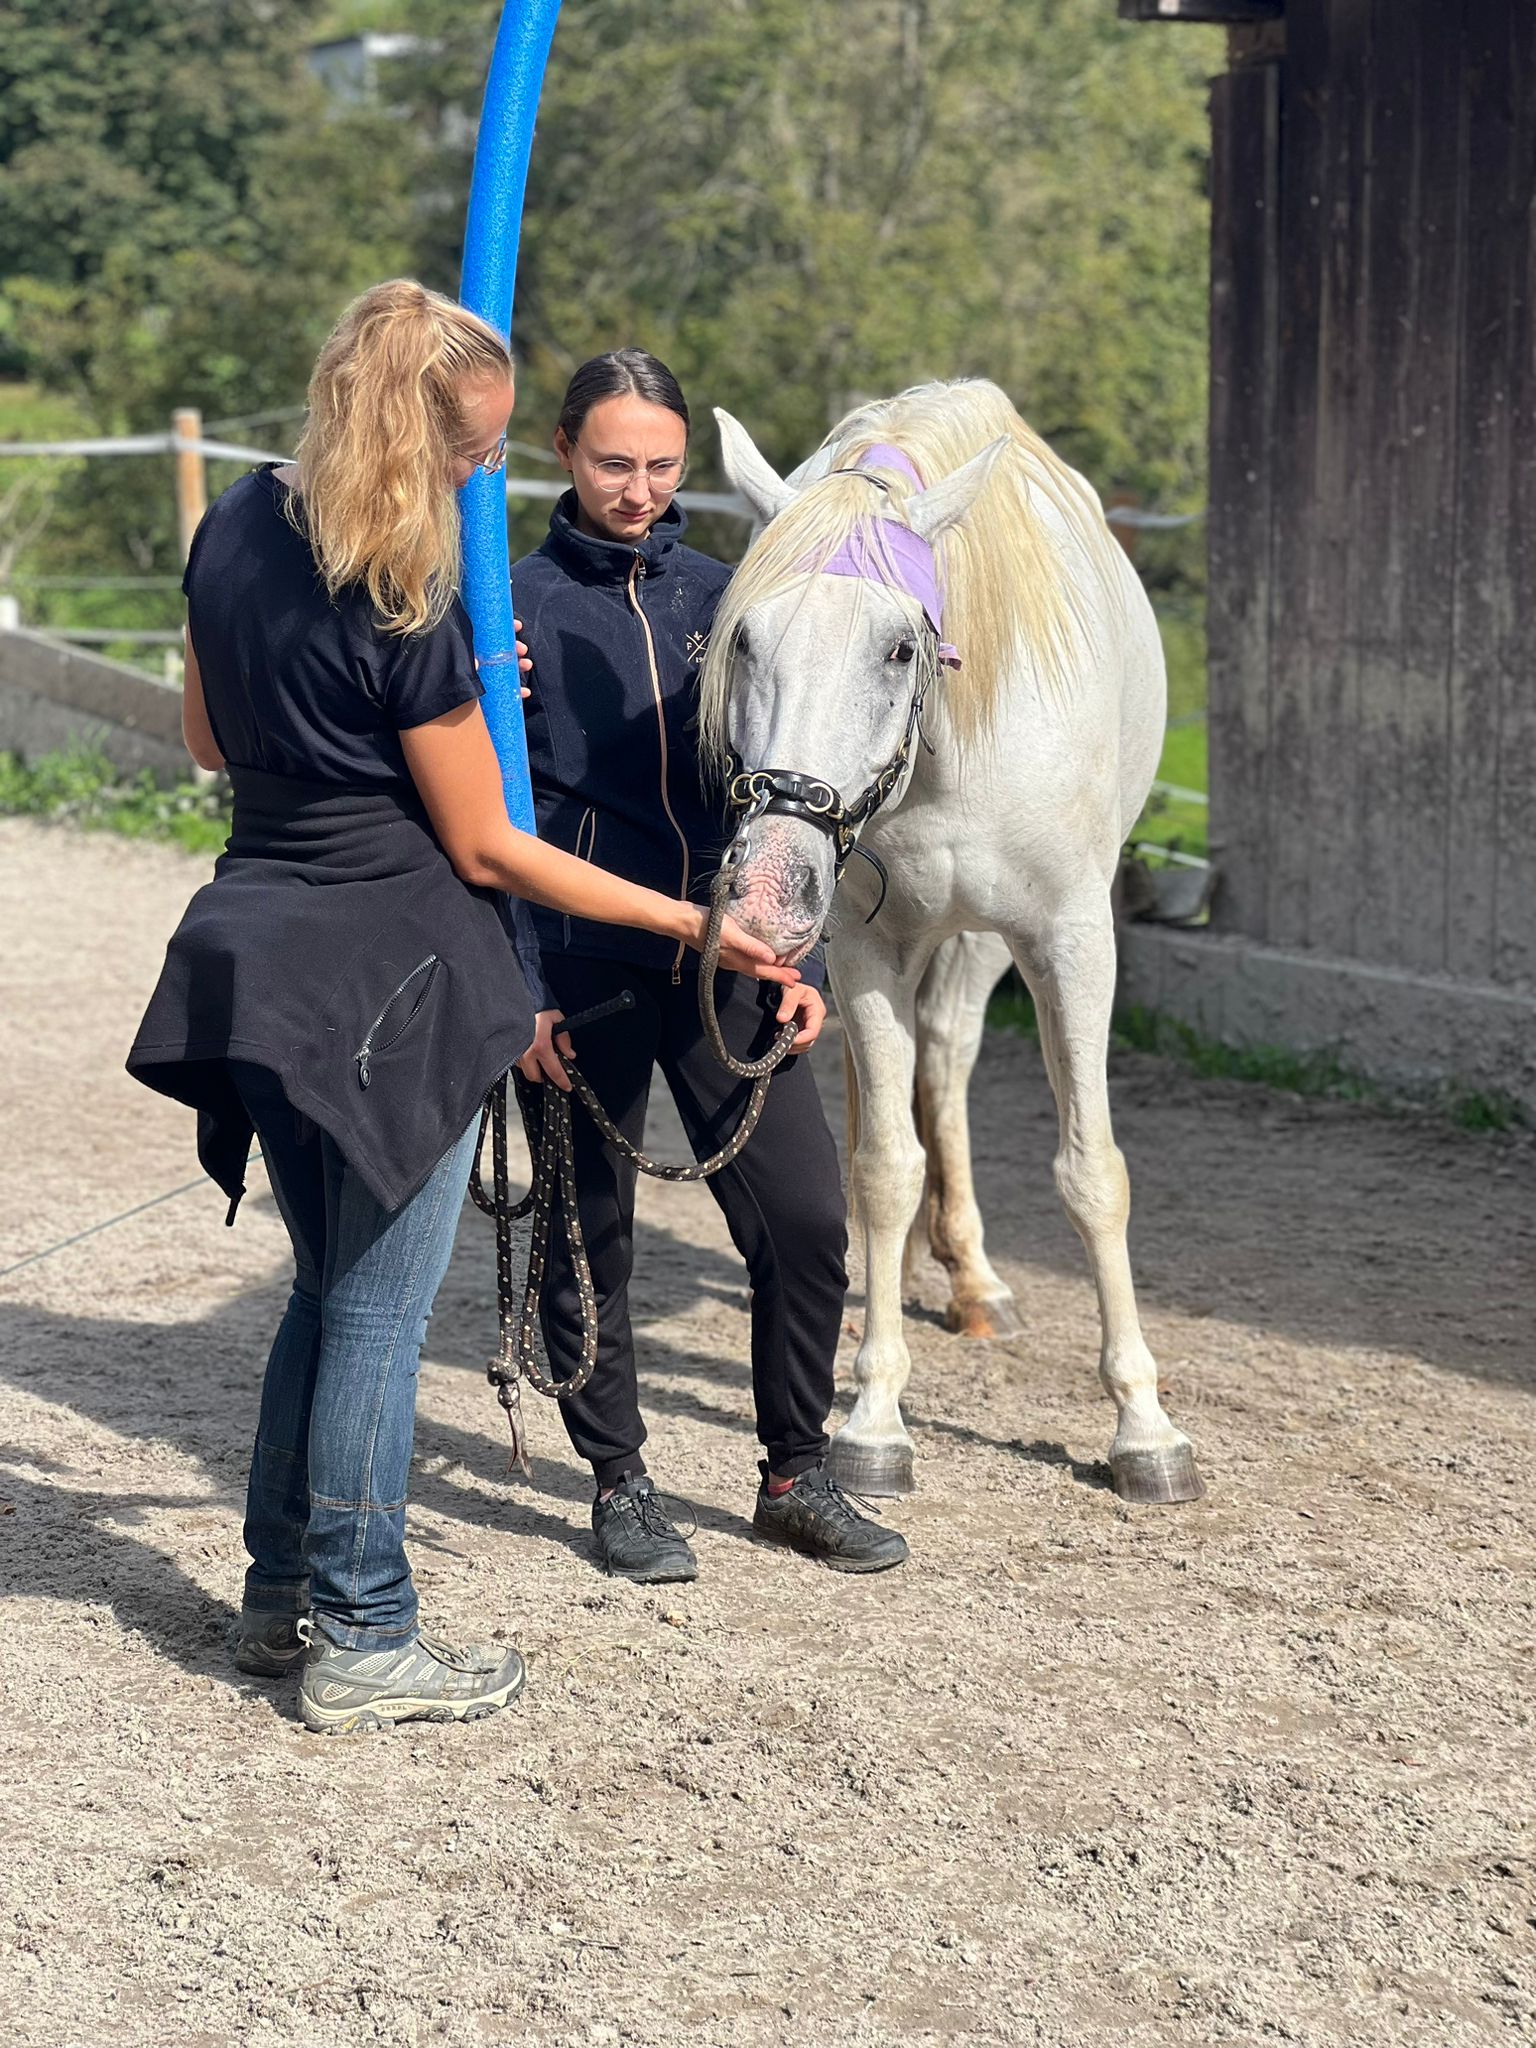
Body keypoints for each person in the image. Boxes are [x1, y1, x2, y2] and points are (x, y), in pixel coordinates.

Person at [127, 284, 793, 1734]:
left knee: (325, 1290)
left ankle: (275, 1594)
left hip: (251, 945)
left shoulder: (232, 522)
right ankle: (366, 1634)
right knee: (375, 1314)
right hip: (388, 976)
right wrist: (699, 925)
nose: (484, 476)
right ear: (413, 429)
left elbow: (200, 738)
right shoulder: (405, 590)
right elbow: (491, 847)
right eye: (475, 451)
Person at [512, 349, 908, 1583]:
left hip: (729, 949)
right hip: (575, 963)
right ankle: (620, 1481)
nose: (638, 487)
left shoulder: (740, 600)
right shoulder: (507, 606)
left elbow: (795, 787)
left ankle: (795, 1471)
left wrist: (805, 966)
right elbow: (478, 823)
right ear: (564, 450)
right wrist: (514, 985)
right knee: (589, 1233)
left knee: (804, 1217)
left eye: (662, 465)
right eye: (613, 462)